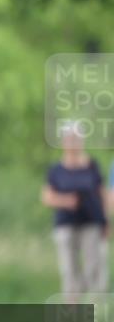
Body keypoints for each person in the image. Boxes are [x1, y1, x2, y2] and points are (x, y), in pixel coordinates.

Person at [41, 125, 109, 298]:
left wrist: (105, 221)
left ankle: (94, 309)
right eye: (71, 140)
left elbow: (102, 195)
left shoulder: (92, 166)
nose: (74, 143)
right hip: (66, 223)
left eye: (77, 139)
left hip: (91, 222)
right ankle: (72, 311)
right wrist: (66, 201)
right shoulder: (56, 170)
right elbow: (46, 197)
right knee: (69, 269)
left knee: (92, 266)